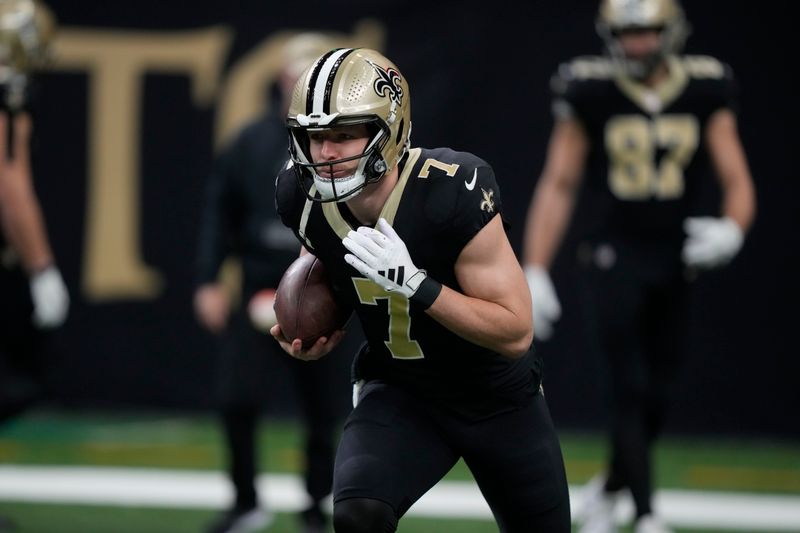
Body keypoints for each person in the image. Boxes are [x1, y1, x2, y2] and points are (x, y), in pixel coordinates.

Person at [270, 47, 571, 533]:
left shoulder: (450, 190)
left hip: (496, 398)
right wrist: (315, 322)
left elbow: (515, 331)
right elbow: (320, 261)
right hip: (402, 390)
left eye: (344, 136)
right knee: (357, 514)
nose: (325, 153)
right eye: (314, 136)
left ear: (389, 132)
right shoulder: (299, 197)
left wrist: (416, 284)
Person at [522, 1, 756, 532]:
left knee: (660, 388)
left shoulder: (705, 86)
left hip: (676, 252)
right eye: (626, 33)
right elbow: (559, 183)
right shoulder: (589, 88)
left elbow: (736, 175)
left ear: (671, 32)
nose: (637, 44)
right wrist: (535, 266)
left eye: (647, 32)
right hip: (612, 252)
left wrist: (734, 227)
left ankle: (610, 486)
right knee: (626, 383)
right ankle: (646, 514)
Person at [193, 32, 359, 533]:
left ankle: (316, 501)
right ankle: (246, 499)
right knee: (237, 397)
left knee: (322, 405)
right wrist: (208, 279)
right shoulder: (252, 140)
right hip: (260, 280)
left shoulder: (344, 144)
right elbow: (219, 212)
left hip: (323, 281)